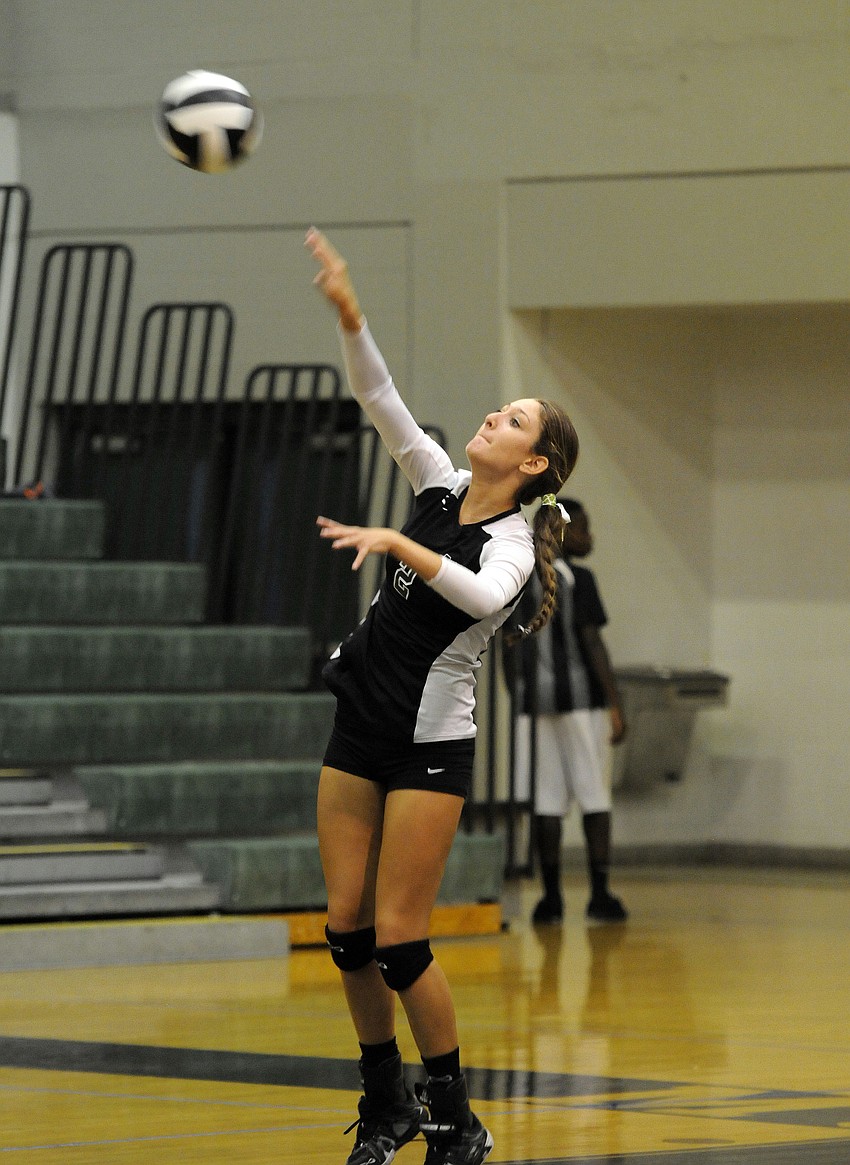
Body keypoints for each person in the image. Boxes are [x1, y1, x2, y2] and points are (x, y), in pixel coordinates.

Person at [305, 226, 579, 1165]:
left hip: (429, 745)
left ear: (534, 464)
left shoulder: (507, 542)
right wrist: (351, 313)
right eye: (500, 409)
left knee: (401, 939)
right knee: (345, 931)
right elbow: (377, 395)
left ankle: (455, 1117)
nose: (493, 420)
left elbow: (483, 596)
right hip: (361, 721)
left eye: (513, 421)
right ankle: (383, 1101)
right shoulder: (436, 481)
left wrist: (400, 544)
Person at [502, 498, 628, 925]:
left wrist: (518, 698)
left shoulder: (518, 578)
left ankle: (551, 900)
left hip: (533, 709)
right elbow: (593, 644)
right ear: (564, 533)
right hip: (581, 705)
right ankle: (599, 895)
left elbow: (507, 645)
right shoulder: (580, 579)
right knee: (594, 798)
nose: (590, 537)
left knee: (546, 804)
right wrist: (615, 703)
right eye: (584, 528)